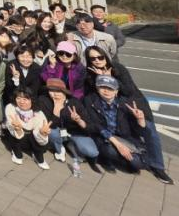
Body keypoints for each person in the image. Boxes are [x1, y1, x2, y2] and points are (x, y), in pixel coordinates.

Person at [83, 53, 173, 184]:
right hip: (105, 116)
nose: (97, 60)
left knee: (148, 133)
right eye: (93, 58)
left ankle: (157, 166)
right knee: (112, 148)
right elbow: (95, 119)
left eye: (100, 57)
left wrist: (109, 77)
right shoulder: (90, 74)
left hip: (131, 106)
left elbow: (129, 90)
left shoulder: (118, 68)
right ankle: (112, 156)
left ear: (106, 56)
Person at [83, 75, 160, 177]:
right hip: (104, 137)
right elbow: (96, 125)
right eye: (102, 87)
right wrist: (118, 144)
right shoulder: (90, 100)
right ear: (97, 89)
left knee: (138, 164)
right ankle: (105, 159)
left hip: (124, 137)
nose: (106, 91)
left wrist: (140, 119)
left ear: (116, 91)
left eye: (110, 88)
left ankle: (123, 158)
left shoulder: (125, 103)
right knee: (110, 150)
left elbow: (141, 132)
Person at [38, 78, 99, 177]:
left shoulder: (74, 102)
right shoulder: (43, 100)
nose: (55, 94)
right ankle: (59, 148)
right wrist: (56, 110)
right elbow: (49, 125)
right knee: (51, 131)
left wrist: (78, 120)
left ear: (64, 92)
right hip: (56, 131)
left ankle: (70, 144)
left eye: (58, 91)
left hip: (74, 132)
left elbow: (88, 125)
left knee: (92, 152)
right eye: (51, 90)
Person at [5, 87, 51, 169]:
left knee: (40, 139)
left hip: (32, 139)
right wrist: (18, 129)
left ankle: (38, 156)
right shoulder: (10, 107)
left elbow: (41, 139)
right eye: (18, 98)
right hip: (17, 138)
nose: (21, 102)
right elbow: (10, 125)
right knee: (13, 130)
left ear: (31, 100)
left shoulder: (38, 113)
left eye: (25, 99)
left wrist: (42, 134)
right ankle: (17, 153)